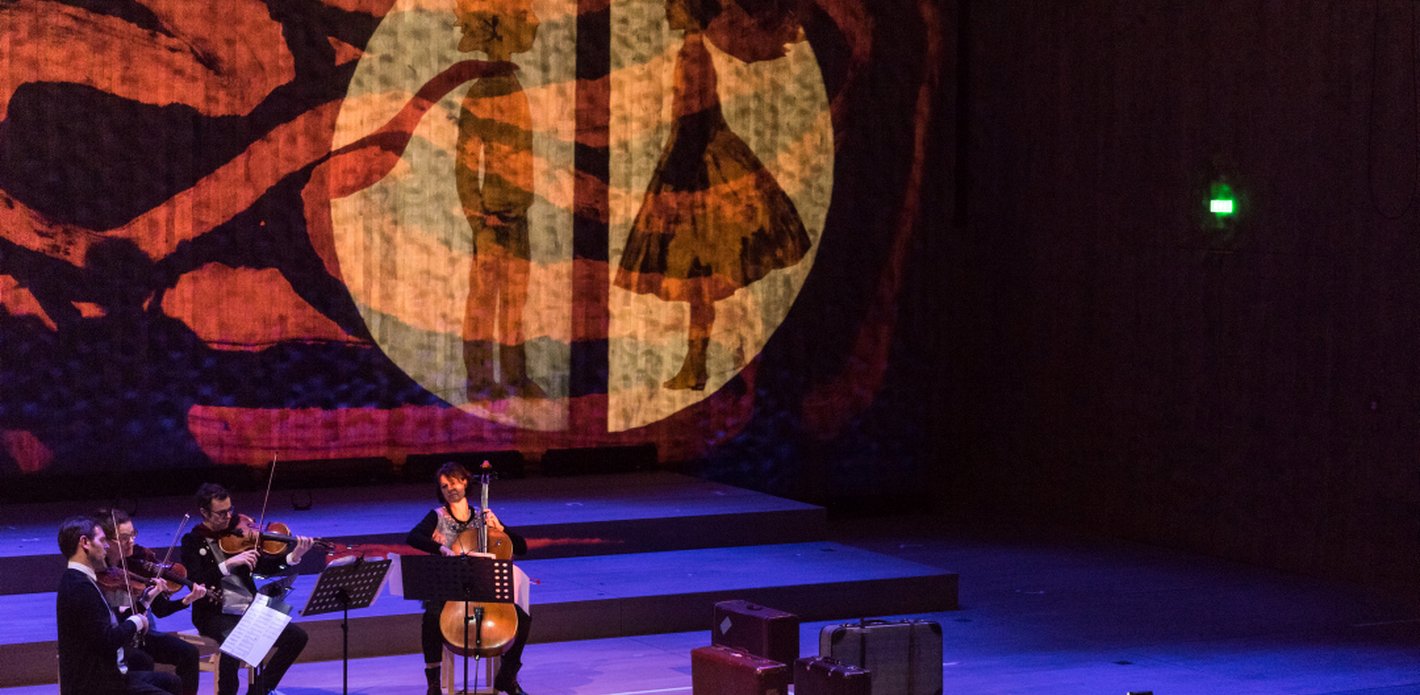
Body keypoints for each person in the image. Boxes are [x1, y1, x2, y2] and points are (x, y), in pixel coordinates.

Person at [614, 0, 811, 391]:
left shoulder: (693, 55)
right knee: (700, 282)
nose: (667, 9)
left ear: (690, 10)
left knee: (699, 277)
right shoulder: (694, 51)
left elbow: (693, 125)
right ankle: (696, 364)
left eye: (674, 3)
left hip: (697, 169)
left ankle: (698, 364)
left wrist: (675, 186)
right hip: (701, 161)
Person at [406, 462, 531, 695]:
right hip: (451, 586)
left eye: (453, 483)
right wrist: (441, 548)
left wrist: (500, 527)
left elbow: (521, 547)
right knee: (431, 616)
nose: (450, 489)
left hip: (483, 586)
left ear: (465, 482)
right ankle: (433, 683)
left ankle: (507, 676)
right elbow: (413, 537)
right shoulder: (438, 516)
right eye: (444, 486)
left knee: (522, 619)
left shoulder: (482, 517)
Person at [179, 484, 312, 695]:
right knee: (234, 640)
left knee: (297, 637)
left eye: (230, 510)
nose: (228, 517)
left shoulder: (238, 533)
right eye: (221, 513)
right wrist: (227, 565)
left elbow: (264, 566)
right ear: (204, 512)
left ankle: (259, 690)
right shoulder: (192, 541)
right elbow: (195, 580)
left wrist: (292, 557)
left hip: (247, 607)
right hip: (213, 613)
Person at [56, 514, 181, 695]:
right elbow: (108, 640)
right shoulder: (79, 587)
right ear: (85, 543)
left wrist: (145, 601)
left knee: (171, 682)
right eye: (102, 540)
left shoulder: (81, 580)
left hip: (111, 676)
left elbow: (109, 625)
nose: (107, 546)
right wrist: (136, 622)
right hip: (97, 684)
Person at [95, 508, 208, 695]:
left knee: (189, 653)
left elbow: (161, 610)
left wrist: (186, 600)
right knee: (142, 660)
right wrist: (144, 601)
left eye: (133, 534)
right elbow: (114, 625)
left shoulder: (139, 562)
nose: (131, 541)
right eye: (124, 538)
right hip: (118, 640)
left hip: (139, 636)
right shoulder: (99, 574)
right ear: (107, 541)